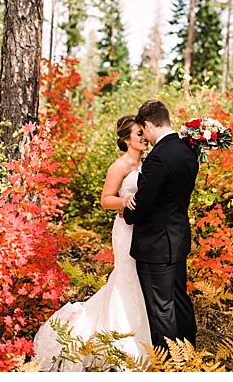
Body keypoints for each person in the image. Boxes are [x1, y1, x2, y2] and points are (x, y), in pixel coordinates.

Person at [32, 115, 153, 370]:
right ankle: (120, 343)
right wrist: (123, 202)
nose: (143, 138)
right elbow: (105, 199)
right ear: (125, 139)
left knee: (142, 281)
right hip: (125, 230)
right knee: (126, 278)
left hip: (145, 229)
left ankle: (143, 339)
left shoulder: (149, 162)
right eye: (137, 134)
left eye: (144, 133)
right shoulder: (118, 166)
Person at [123, 99, 198, 350]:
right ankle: (189, 355)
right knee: (180, 301)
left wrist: (128, 213)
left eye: (143, 131)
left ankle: (167, 365)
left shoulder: (157, 159)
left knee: (160, 310)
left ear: (147, 124)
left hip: (155, 245)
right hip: (178, 238)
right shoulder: (188, 150)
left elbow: (144, 203)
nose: (145, 137)